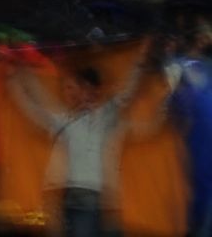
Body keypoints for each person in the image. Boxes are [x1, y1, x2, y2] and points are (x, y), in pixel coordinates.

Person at [13, 57, 141, 237]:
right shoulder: (66, 120)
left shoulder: (103, 117)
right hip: (78, 196)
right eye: (84, 89)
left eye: (92, 90)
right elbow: (34, 110)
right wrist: (17, 84)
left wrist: (140, 63)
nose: (87, 94)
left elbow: (127, 94)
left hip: (100, 200)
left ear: (98, 91)